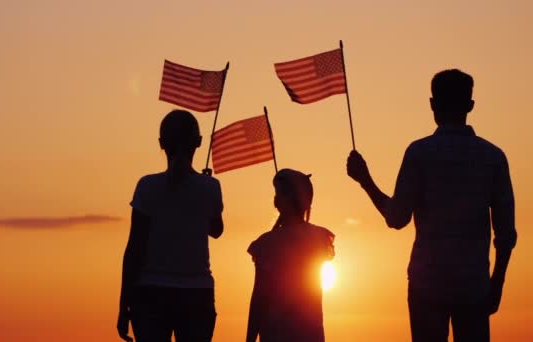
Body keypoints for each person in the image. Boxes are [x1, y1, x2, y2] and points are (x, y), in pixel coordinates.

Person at [347, 69, 517, 342]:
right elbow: (506, 234)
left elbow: (396, 218)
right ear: (470, 106)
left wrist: (365, 181)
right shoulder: (493, 157)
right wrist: (496, 284)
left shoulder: (419, 153)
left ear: (433, 105)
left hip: (427, 285)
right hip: (473, 285)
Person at [117, 110, 224, 342]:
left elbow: (134, 248)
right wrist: (205, 186)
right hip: (197, 296)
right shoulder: (210, 187)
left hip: (150, 295)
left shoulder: (146, 187)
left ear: (161, 143)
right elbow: (216, 230)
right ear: (198, 143)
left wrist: (123, 304)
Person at [246, 169, 335, 342]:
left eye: (279, 193)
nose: (275, 199)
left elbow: (259, 296)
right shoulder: (319, 238)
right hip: (310, 333)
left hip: (277, 333)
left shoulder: (268, 243)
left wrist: (249, 338)